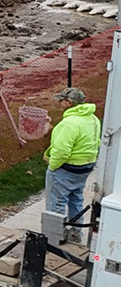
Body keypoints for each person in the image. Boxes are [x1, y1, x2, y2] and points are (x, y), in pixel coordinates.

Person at [45, 87, 99, 242]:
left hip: (66, 169)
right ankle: (76, 235)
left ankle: (54, 240)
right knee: (76, 200)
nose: (59, 103)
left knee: (56, 204)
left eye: (61, 100)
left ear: (68, 103)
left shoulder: (69, 123)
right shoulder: (93, 119)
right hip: (85, 167)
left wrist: (52, 166)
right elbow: (96, 141)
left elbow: (62, 151)